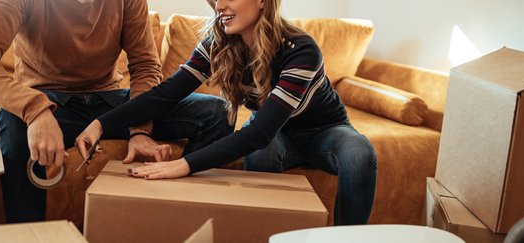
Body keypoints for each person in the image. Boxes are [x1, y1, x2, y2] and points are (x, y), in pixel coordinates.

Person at [75, 0, 377, 225]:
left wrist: (185, 164)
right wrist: (101, 123)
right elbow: (165, 95)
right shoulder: (218, 43)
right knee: (264, 152)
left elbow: (259, 131)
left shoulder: (301, 49)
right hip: (278, 134)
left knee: (359, 151)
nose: (220, 5)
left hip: (325, 131)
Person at [0, 0, 232, 223]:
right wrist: (35, 110)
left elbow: (145, 66)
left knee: (216, 111)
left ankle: (182, 222)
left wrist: (139, 129)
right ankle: (29, 234)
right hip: (51, 103)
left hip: (111, 103)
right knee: (13, 123)